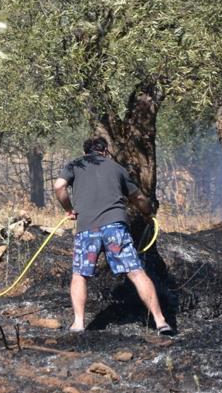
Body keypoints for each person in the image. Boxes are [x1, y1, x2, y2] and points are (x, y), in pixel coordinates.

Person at [53, 136, 173, 336]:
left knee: (80, 274)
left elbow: (59, 186)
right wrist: (148, 213)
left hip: (87, 229)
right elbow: (138, 197)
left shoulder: (75, 164)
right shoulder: (117, 168)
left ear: (85, 152)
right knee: (136, 272)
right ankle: (161, 322)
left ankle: (78, 323)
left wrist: (69, 209)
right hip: (115, 228)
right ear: (105, 151)